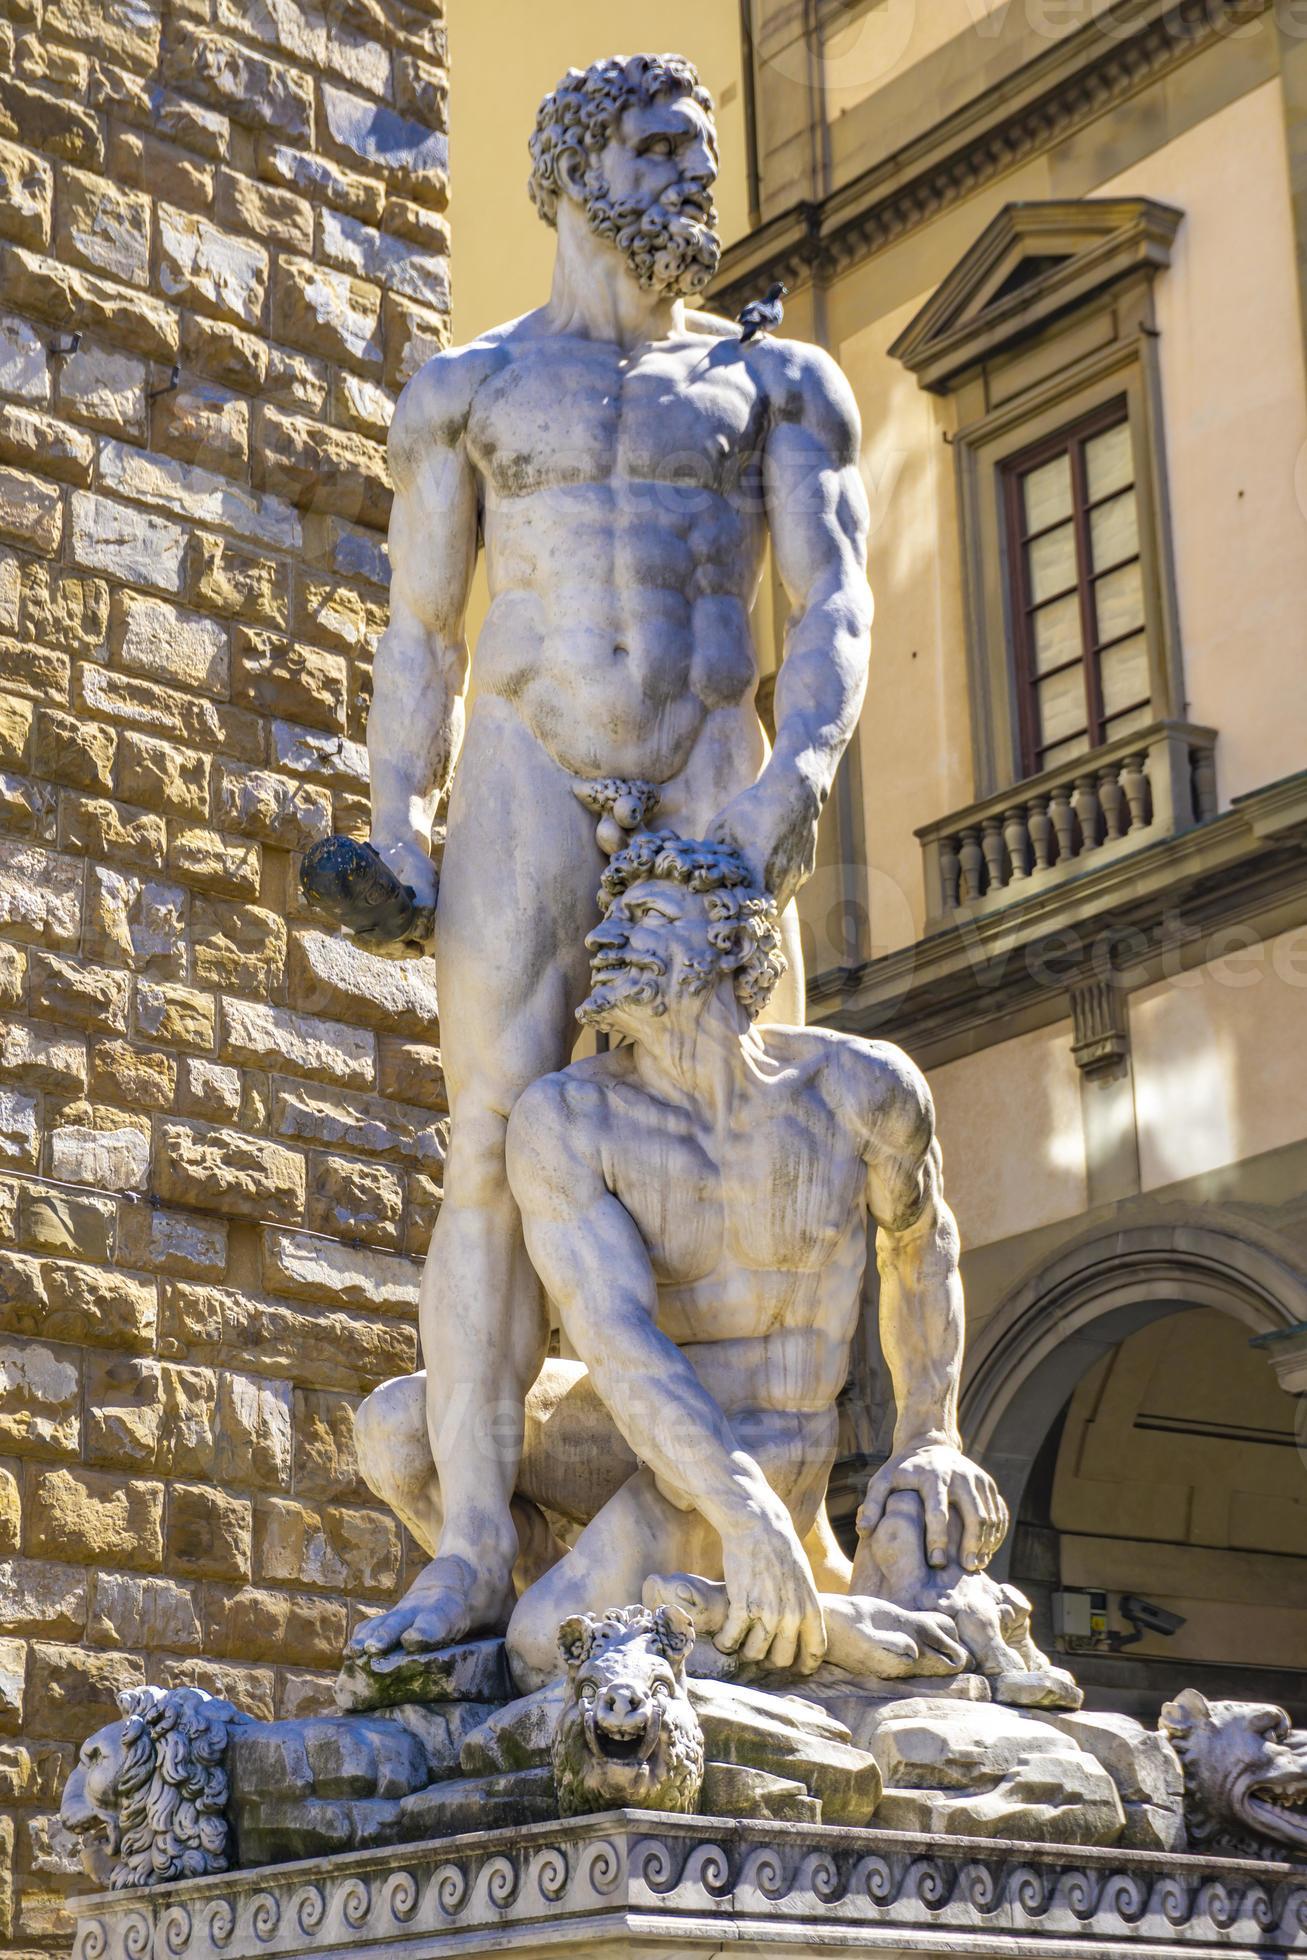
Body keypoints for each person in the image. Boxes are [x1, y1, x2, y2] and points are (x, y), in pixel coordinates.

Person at [360, 52, 873, 1651]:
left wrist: (789, 791)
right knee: (486, 1154)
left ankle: (785, 1519)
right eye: (659, 148)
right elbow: (420, 634)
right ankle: (462, 1548)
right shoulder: (464, 389)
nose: (689, 179)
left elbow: (834, 606)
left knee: (754, 1137)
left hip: (713, 775)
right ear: (573, 172)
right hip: (526, 779)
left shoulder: (776, 386)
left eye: (697, 150)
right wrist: (393, 820)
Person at [491, 832, 1006, 1689]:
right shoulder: (569, 1118)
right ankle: (758, 1614)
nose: (606, 939)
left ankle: (740, 1616)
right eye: (608, 918)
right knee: (403, 1430)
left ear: (729, 943)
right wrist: (743, 1514)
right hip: (642, 1422)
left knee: (544, 1644)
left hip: (771, 1436)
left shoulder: (858, 1089)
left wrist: (930, 1436)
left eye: (646, 916)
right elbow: (612, 1333)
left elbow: (920, 1247)